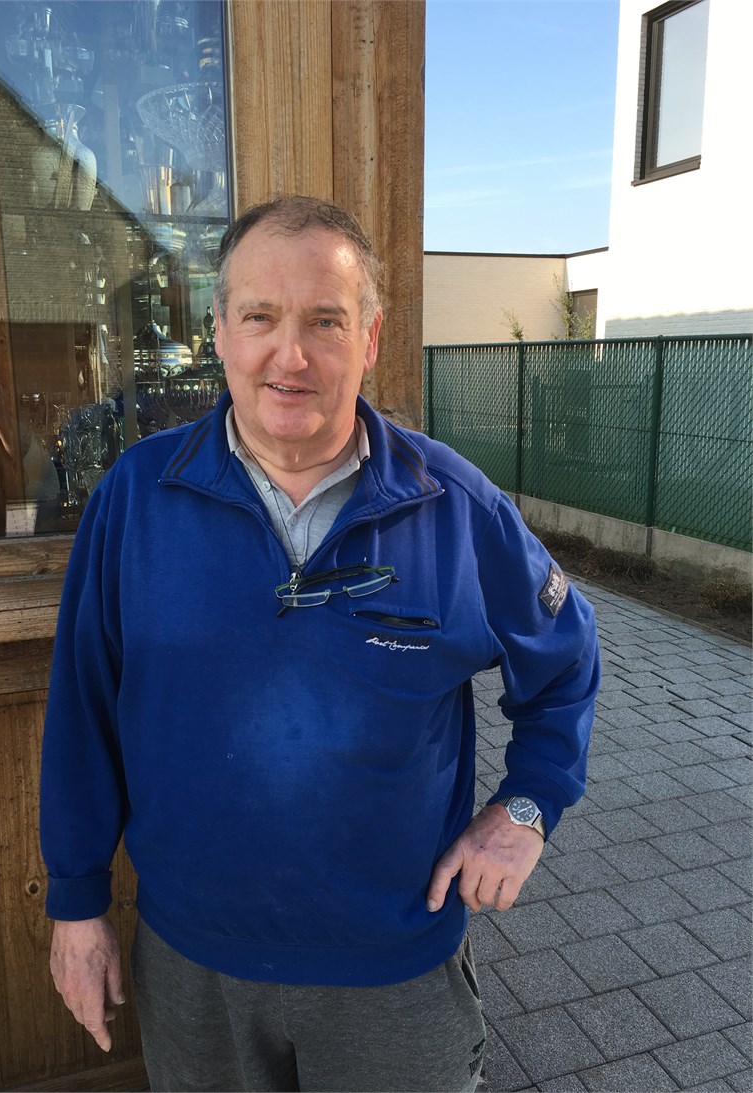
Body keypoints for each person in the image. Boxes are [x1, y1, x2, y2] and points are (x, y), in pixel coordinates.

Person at [41, 196, 600, 1093]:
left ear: (370, 338)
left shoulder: (455, 508)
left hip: (395, 971)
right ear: (219, 332)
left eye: (325, 321)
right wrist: (75, 904)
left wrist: (529, 806)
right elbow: (82, 712)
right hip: (194, 966)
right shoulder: (136, 499)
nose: (289, 355)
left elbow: (565, 661)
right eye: (260, 317)